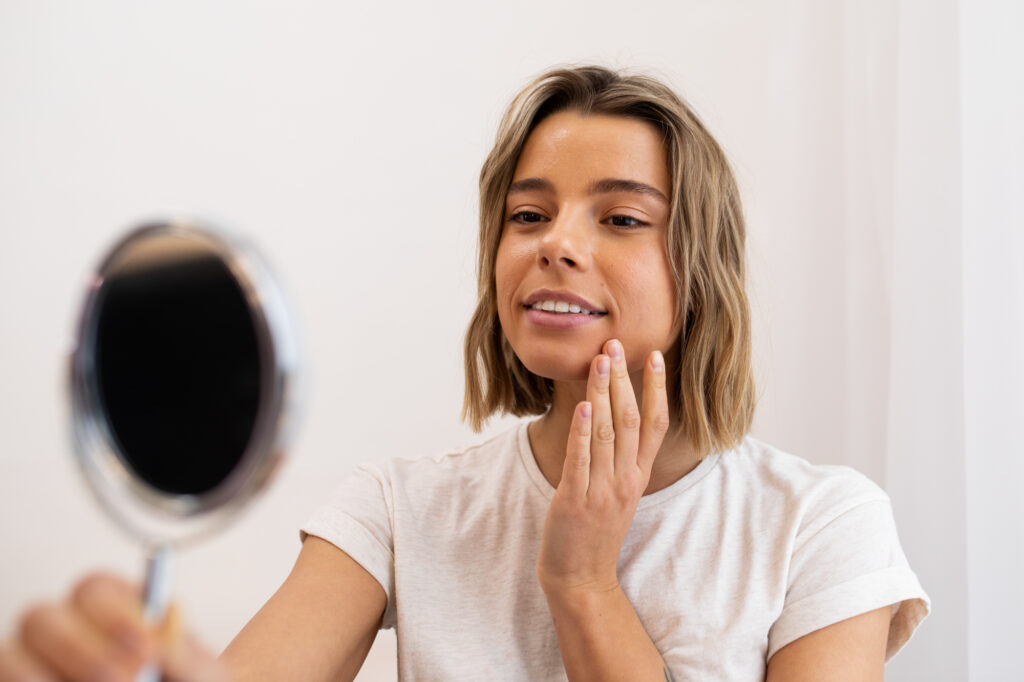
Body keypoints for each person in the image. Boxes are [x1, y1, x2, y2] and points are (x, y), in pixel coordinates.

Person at [0, 65, 929, 681]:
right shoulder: (397, 510)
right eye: (529, 215)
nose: (556, 244)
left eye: (621, 218)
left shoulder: (823, 524)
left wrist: (584, 583)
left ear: (703, 268)